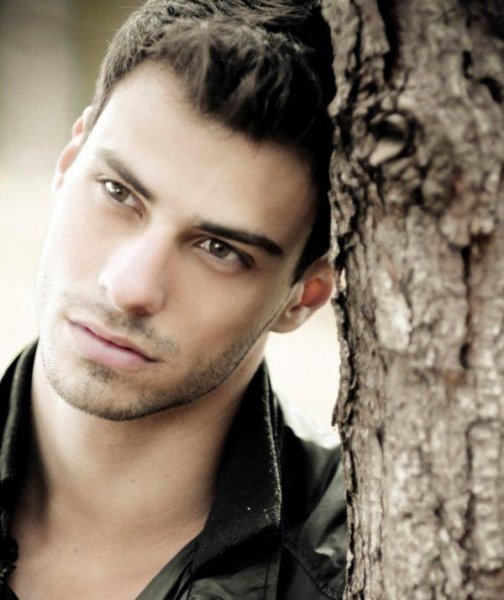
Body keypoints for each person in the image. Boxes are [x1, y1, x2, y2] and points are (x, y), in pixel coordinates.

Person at [0, 0, 346, 598]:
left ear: (304, 297)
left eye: (219, 249)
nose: (130, 287)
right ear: (70, 159)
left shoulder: (357, 574)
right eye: (118, 192)